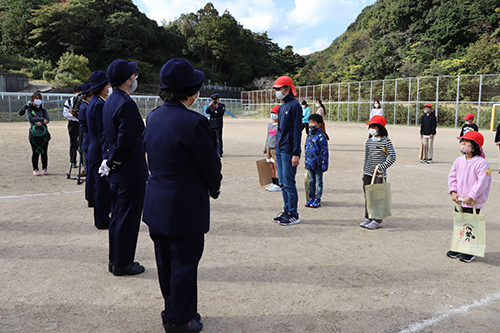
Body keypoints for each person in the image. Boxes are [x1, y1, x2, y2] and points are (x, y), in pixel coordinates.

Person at [143, 58, 222, 333]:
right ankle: (179, 320)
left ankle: (175, 309)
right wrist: (214, 188)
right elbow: (210, 165)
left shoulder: (153, 116)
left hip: (156, 201)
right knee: (185, 262)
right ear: (190, 91)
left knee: (166, 261)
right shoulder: (194, 122)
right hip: (184, 205)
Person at [101, 59, 148, 276]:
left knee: (118, 216)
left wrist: (110, 162)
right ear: (126, 80)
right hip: (129, 170)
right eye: (133, 75)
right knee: (128, 218)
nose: (135, 78)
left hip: (118, 171)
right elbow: (125, 139)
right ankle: (123, 262)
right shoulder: (126, 103)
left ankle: (115, 259)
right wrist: (115, 161)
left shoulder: (111, 100)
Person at [447, 131, 491, 263]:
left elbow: (482, 182)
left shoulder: (482, 163)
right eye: (462, 141)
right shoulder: (459, 161)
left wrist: (471, 196)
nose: (463, 144)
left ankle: (469, 251)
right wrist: (453, 191)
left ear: (475, 146)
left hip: (473, 202)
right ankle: (457, 246)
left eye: (467, 142)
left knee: (470, 226)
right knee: (459, 224)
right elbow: (452, 176)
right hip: (460, 200)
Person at [272, 76, 302, 226]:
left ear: (287, 89)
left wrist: (296, 153)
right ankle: (286, 211)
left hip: (289, 151)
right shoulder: (282, 106)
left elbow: (297, 130)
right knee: (282, 183)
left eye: (279, 89)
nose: (277, 92)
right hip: (280, 149)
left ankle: (293, 214)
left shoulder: (294, 105)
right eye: (276, 89)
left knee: (289, 183)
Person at [361, 115, 396, 230]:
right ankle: (368, 216)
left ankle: (377, 219)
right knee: (368, 196)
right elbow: (367, 157)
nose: (372, 128)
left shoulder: (386, 142)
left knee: (377, 197)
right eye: (370, 126)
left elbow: (392, 157)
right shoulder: (369, 141)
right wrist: (364, 172)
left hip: (378, 174)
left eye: (374, 126)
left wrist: (381, 167)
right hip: (368, 173)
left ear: (380, 128)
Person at [87, 71, 112, 230]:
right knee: (102, 188)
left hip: (93, 149)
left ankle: (101, 217)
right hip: (98, 151)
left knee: (99, 186)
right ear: (102, 87)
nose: (109, 87)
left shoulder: (94, 102)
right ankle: (102, 219)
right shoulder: (99, 104)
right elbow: (103, 132)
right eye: (107, 85)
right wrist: (106, 155)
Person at [304, 114, 328, 208]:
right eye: (309, 123)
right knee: (311, 181)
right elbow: (306, 149)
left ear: (319, 124)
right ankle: (311, 198)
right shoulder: (309, 135)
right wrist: (305, 162)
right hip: (310, 163)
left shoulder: (321, 136)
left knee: (319, 182)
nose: (311, 125)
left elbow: (324, 152)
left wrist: (324, 165)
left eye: (313, 123)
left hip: (318, 164)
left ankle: (317, 199)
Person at [25, 92, 51, 176]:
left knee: (44, 152)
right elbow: (30, 118)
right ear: (32, 100)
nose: (38, 100)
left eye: (39, 99)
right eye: (36, 99)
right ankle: (35, 169)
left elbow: (47, 119)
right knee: (35, 152)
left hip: (44, 134)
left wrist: (44, 121)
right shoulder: (29, 109)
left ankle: (44, 168)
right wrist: (40, 120)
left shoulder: (43, 110)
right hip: (34, 134)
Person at [78, 81, 93, 204]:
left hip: (87, 142)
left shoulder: (85, 105)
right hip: (89, 142)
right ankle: (91, 198)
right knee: (91, 173)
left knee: (90, 173)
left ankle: (90, 197)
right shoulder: (86, 106)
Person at [63, 85, 82, 168]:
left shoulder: (83, 101)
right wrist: (74, 115)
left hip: (81, 124)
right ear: (74, 93)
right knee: (73, 143)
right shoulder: (69, 102)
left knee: (82, 143)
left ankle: (83, 161)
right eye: (78, 92)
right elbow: (65, 114)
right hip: (73, 124)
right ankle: (73, 161)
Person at [264, 105, 280, 192]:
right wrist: (265, 147)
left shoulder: (280, 125)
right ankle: (273, 182)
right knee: (271, 166)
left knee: (276, 166)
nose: (273, 115)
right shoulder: (270, 124)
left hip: (275, 148)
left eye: (275, 113)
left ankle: (278, 184)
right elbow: (268, 136)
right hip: (269, 147)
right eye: (272, 113)